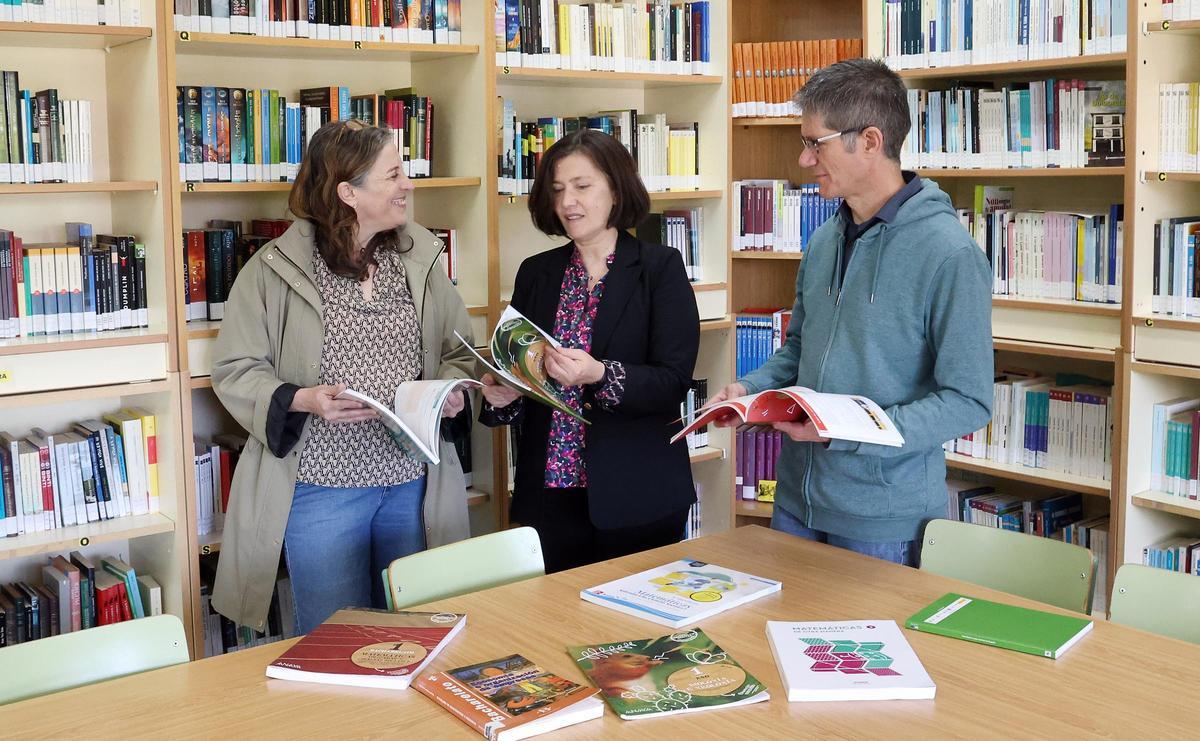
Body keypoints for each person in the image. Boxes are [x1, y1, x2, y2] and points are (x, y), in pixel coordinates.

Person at [711, 58, 993, 566]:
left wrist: (852, 431)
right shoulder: (824, 239)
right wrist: (750, 390)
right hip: (796, 502)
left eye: (813, 143)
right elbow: (800, 347)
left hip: (882, 518)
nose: (803, 159)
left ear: (868, 140)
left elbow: (968, 401)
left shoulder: (950, 255)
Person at [210, 120, 476, 635]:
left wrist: (451, 393)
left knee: (420, 633)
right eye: (394, 174)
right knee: (338, 642)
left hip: (413, 486)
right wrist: (304, 399)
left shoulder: (419, 258)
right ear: (348, 192)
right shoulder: (274, 269)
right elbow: (235, 370)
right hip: (321, 490)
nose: (408, 185)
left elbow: (459, 353)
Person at [480, 129, 700, 573]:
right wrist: (503, 396)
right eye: (557, 190)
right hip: (549, 492)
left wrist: (599, 374)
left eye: (582, 187)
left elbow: (672, 382)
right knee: (558, 628)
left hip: (638, 492)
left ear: (616, 190)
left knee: (639, 635)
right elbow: (520, 372)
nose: (567, 203)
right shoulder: (537, 273)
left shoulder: (660, 268)